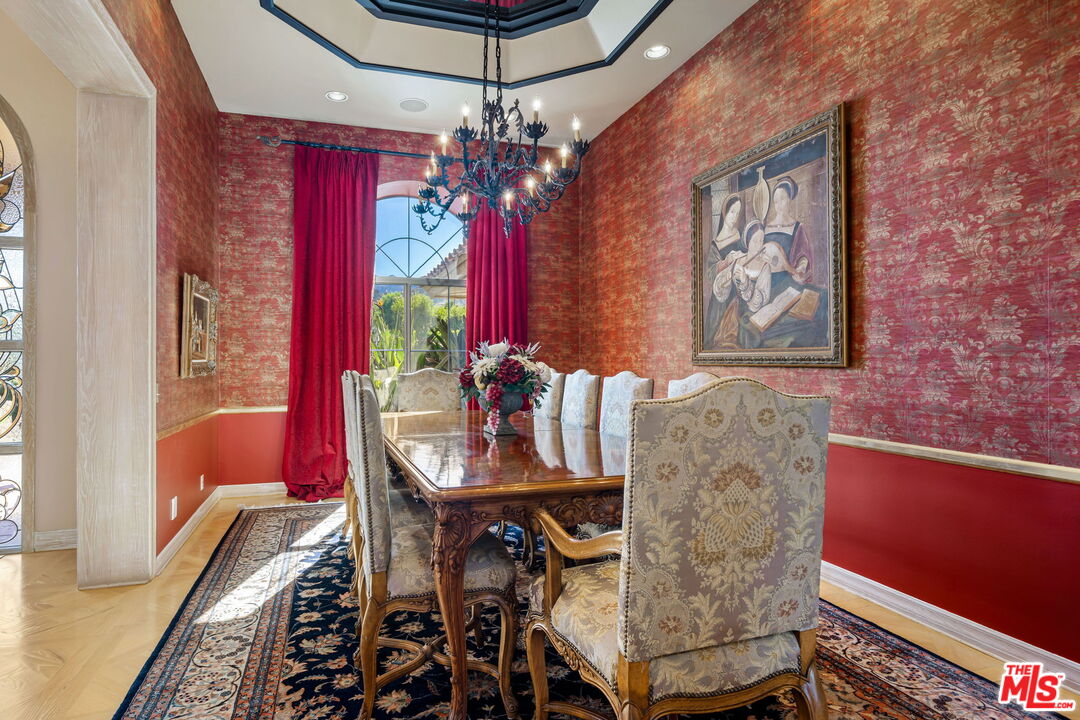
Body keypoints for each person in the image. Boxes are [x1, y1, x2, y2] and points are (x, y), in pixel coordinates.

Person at [764, 176, 819, 287]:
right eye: (776, 201)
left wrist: (801, 267)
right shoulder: (765, 227)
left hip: (788, 280)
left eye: (782, 199)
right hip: (765, 280)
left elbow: (804, 254)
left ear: (789, 199)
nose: (778, 204)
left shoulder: (798, 227)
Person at [703, 194, 744, 339]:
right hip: (722, 295)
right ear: (725, 212)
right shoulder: (716, 243)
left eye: (738, 213)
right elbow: (710, 273)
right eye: (732, 212)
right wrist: (726, 261)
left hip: (738, 288)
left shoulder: (738, 234)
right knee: (718, 335)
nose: (735, 217)